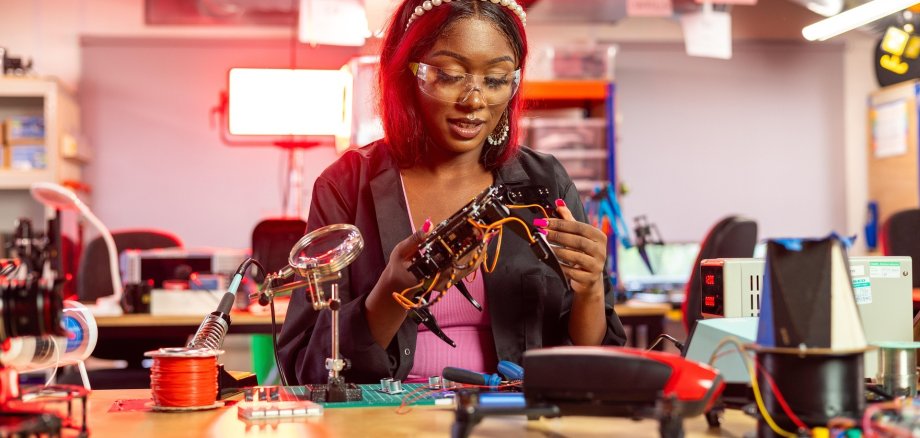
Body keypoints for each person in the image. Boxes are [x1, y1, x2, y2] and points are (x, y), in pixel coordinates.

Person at [277, 0, 627, 385]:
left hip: (510, 417)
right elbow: (306, 366)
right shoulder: (346, 185)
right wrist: (392, 291)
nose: (474, 101)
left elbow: (589, 355)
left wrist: (591, 289)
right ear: (409, 73)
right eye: (450, 75)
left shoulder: (544, 183)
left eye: (495, 80)